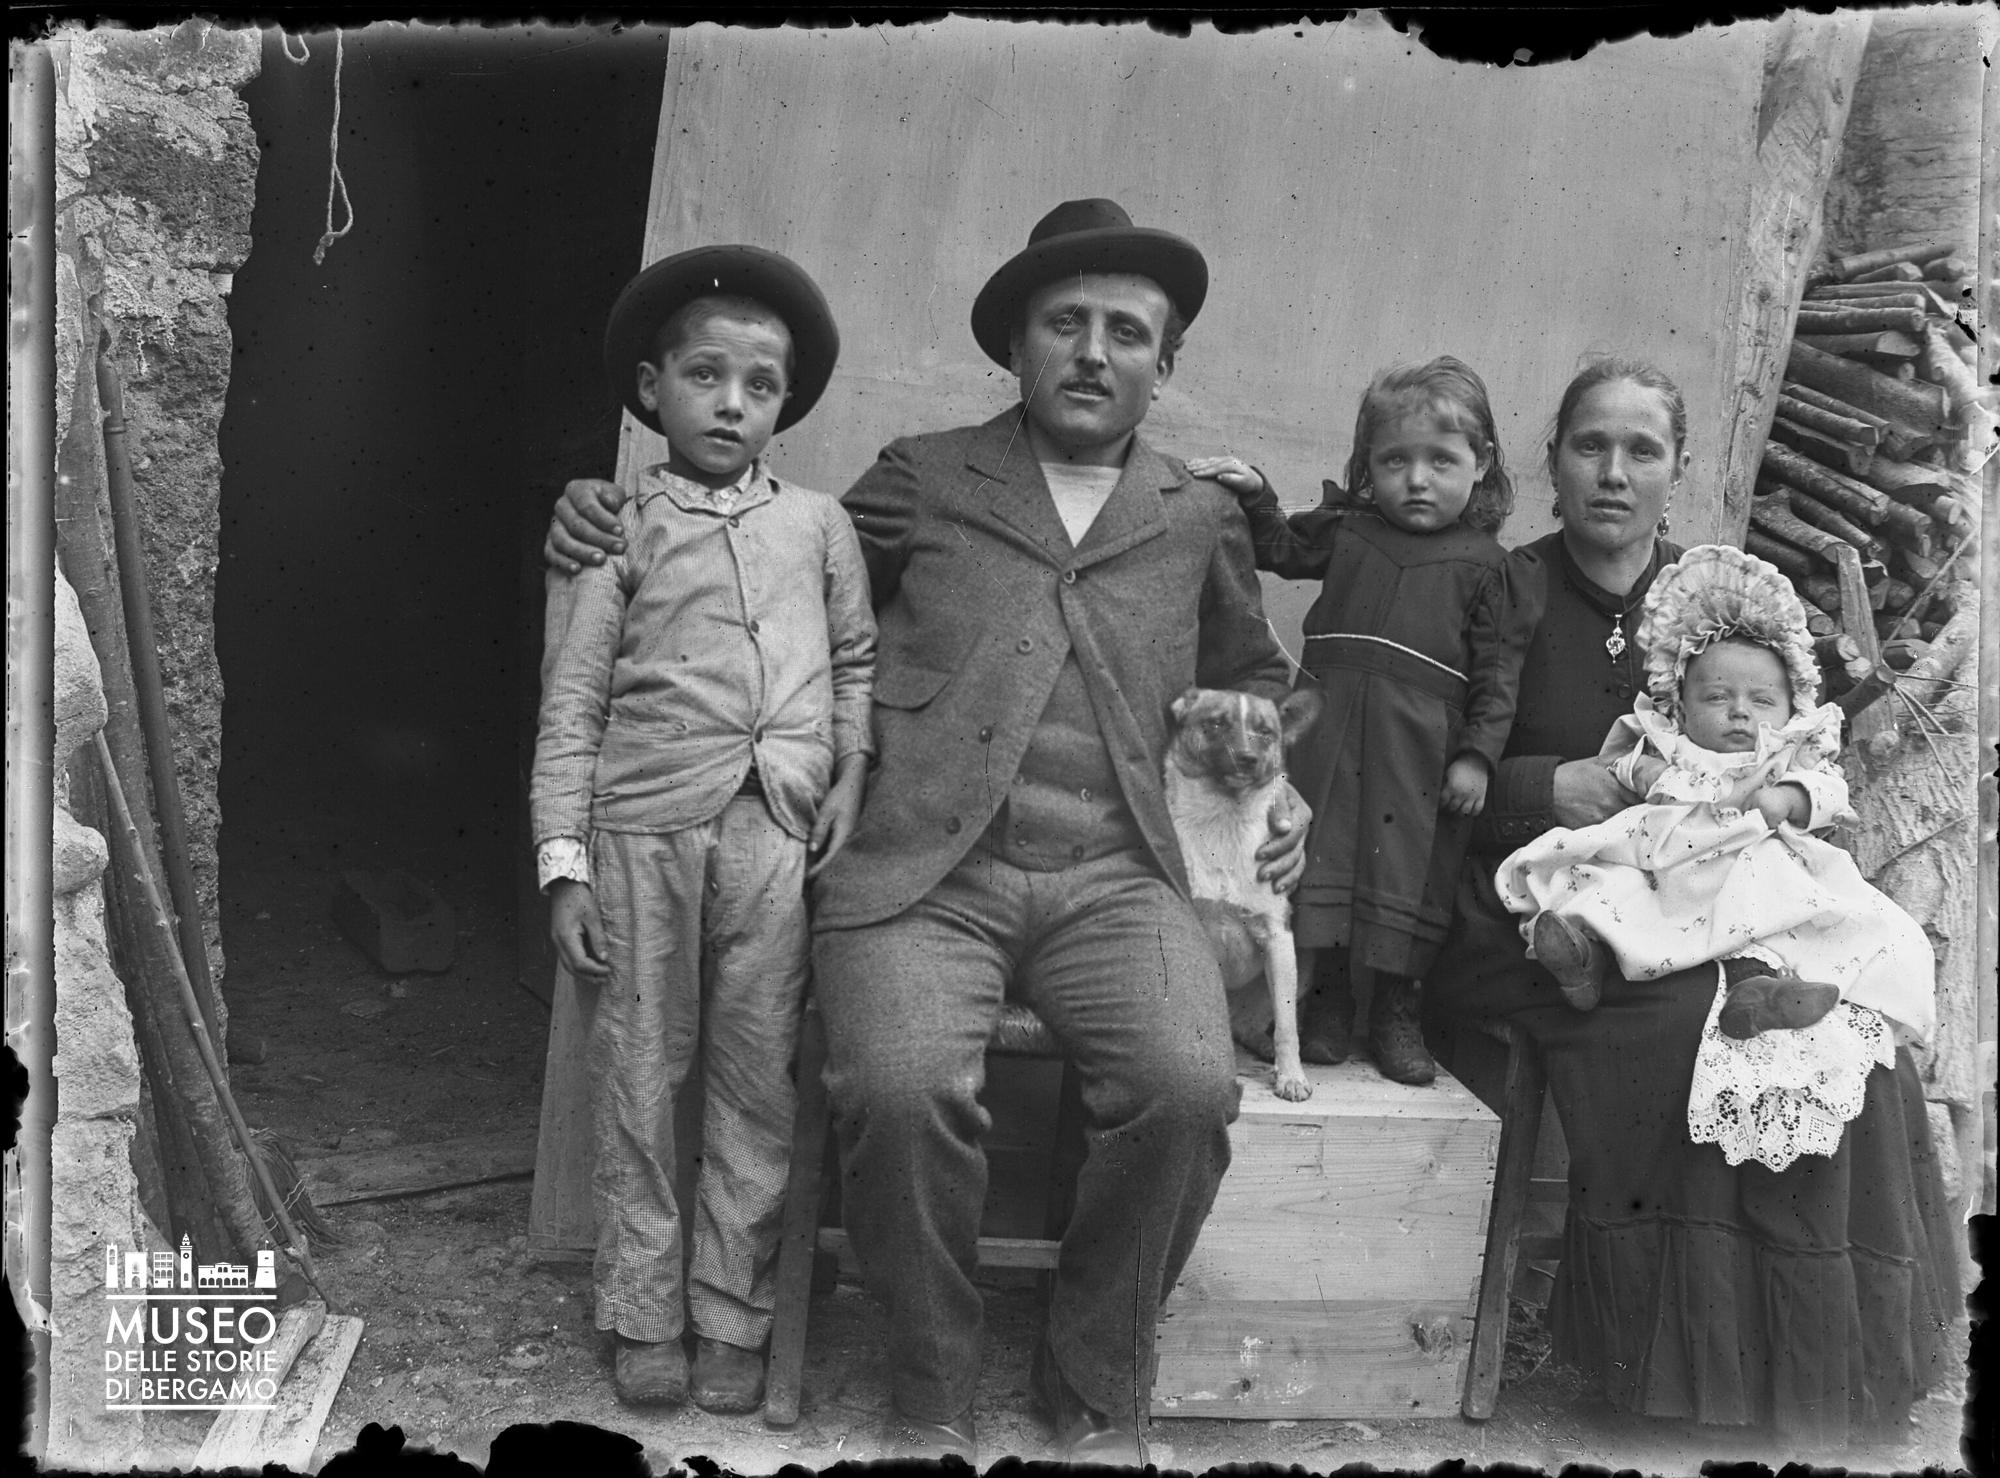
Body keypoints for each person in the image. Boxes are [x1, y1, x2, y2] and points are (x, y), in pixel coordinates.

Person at [544, 199, 1309, 1464]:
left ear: (1163, 366)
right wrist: (601, 507)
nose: (1090, 350)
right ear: (1014, 344)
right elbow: (758, 553)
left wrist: (1279, 800)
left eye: (1127, 331)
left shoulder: (1195, 516)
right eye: (1062, 322)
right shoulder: (920, 475)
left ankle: (1094, 1380)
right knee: (897, 1087)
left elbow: (1263, 680)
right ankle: (930, 1383)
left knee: (1185, 1087)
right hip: (919, 875)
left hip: (1119, 878)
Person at [1424, 358, 1961, 1450]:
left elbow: (1792, 746)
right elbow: (1428, 765)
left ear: (1675, 470)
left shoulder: (1714, 603)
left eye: (1640, 451)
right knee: (1682, 1026)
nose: (1611, 474)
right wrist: (1544, 783)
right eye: (1588, 446)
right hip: (1544, 910)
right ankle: (1669, 1374)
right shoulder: (1501, 591)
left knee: (1854, 1037)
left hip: (1712, 907)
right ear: (1551, 461)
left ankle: (1812, 1373)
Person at [529, 246, 877, 1413]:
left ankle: (733, 1311)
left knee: (754, 1078)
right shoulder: (617, 526)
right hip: (640, 829)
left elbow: (857, 665)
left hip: (774, 831)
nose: (731, 402)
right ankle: (641, 1309)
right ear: (651, 388)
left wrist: (847, 772)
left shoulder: (821, 526)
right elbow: (572, 705)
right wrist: (563, 868)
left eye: (760, 385)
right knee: (637, 1066)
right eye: (704, 375)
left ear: (784, 403)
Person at [1497, 542, 1936, 1172]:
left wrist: (1793, 794)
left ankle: (1762, 999)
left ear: (1790, 708)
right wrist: (1642, 769)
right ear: (1681, 703)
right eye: (1717, 697)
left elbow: (1831, 790)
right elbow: (1619, 758)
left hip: (1754, 870)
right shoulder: (1668, 740)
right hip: (1667, 863)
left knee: (1823, 930)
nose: (1739, 713)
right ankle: (1581, 958)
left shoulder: (1788, 752)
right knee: (1604, 889)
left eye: (1761, 701)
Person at [1189, 357, 1535, 1085]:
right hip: (1331, 732)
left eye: (1441, 460)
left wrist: (1476, 757)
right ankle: (1328, 1000)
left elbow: (1498, 677)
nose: (1416, 479)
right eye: (1394, 460)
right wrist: (1257, 498)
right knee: (1327, 859)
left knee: (1409, 875)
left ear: (1482, 466)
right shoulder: (1347, 531)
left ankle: (1397, 1010)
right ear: (1365, 465)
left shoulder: (1487, 567)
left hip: (1419, 750)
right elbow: (1280, 549)